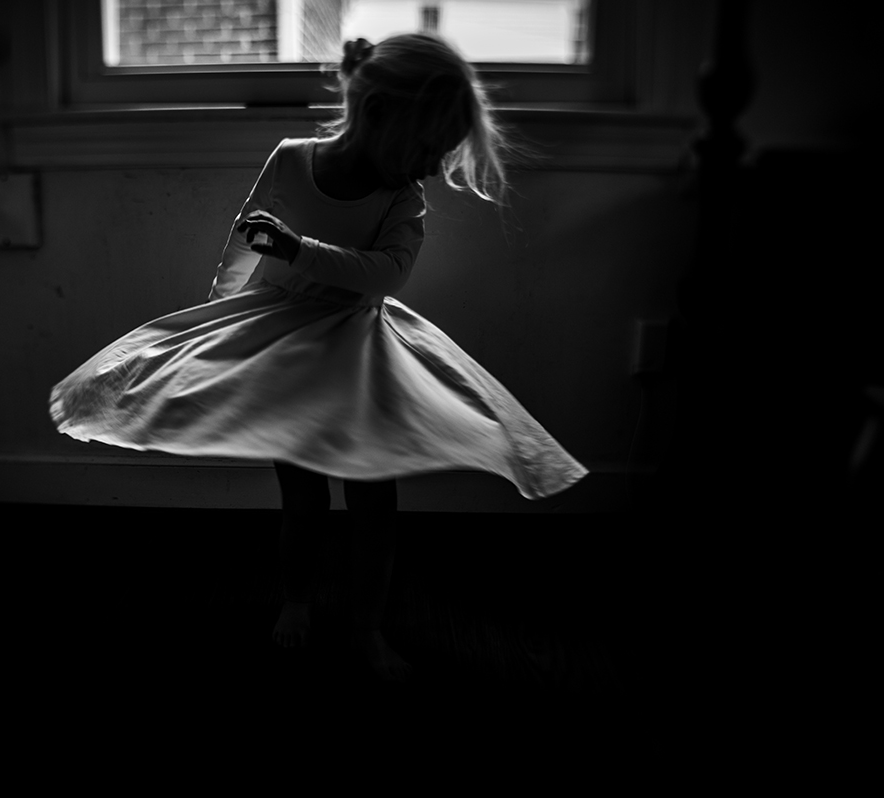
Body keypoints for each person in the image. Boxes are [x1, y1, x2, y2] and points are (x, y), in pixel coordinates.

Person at [49, 33, 588, 683]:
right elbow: (247, 240)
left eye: (438, 157)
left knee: (373, 507)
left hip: (360, 353)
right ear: (379, 114)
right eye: (424, 149)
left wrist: (297, 249)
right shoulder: (290, 160)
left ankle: (367, 630)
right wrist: (221, 329)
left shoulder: (400, 197)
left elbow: (386, 273)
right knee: (302, 499)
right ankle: (298, 599)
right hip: (284, 343)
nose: (426, 168)